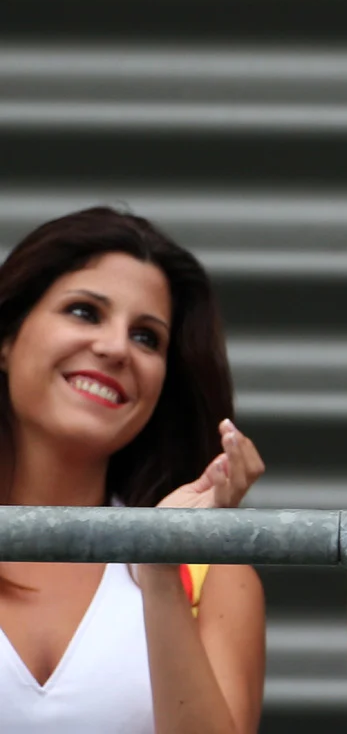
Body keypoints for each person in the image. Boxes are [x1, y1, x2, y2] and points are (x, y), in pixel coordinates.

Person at [0, 206, 267, 733]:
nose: (116, 347)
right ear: (6, 340)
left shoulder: (213, 577)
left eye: (147, 337)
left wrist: (161, 569)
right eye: (84, 312)